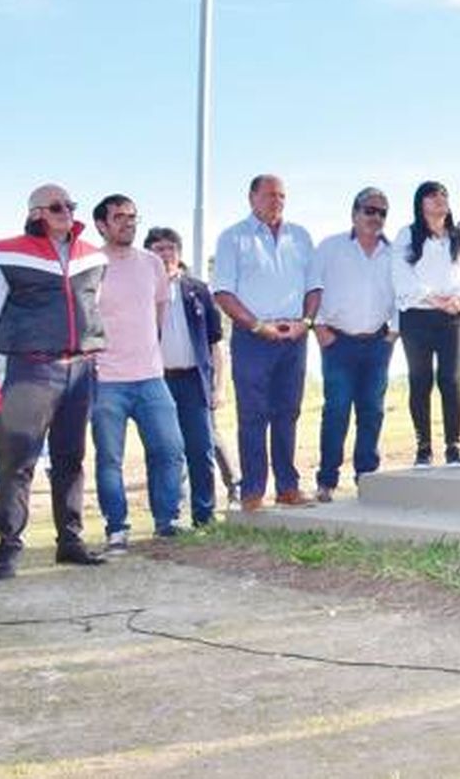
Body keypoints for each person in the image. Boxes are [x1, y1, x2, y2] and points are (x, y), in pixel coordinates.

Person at [0, 185, 109, 579]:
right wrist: (2, 371)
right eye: (57, 207)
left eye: (71, 205)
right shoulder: (4, 252)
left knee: (71, 458)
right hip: (30, 369)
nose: (67, 212)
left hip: (80, 369)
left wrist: (89, 356)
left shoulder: (93, 255)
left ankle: (69, 541)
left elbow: (92, 306)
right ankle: (9, 546)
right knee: (18, 460)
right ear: (36, 212)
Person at [212, 174, 319, 511]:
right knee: (253, 415)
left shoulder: (300, 237)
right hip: (253, 338)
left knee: (288, 412)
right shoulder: (233, 238)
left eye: (282, 196)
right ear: (251, 198)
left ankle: (288, 487)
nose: (277, 201)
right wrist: (258, 326)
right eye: (270, 195)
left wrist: (306, 323)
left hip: (294, 337)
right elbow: (224, 293)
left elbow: (314, 287)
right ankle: (252, 492)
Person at [90, 195, 187, 549]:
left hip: (151, 377)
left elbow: (159, 313)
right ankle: (117, 528)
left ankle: (167, 522)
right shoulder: (90, 263)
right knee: (110, 459)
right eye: (119, 217)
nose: (128, 223)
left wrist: (148, 354)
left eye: (133, 217)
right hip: (106, 381)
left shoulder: (151, 263)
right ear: (102, 224)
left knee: (170, 449)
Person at [312, 187, 399, 498]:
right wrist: (319, 328)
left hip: (377, 343)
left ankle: (367, 478)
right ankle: (327, 481)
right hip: (338, 343)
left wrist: (393, 334)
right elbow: (312, 287)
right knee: (336, 409)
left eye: (382, 212)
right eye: (369, 210)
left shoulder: (395, 252)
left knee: (372, 410)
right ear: (354, 213)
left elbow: (402, 295)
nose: (375, 217)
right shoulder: (330, 247)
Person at [392, 181, 460, 466]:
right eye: (433, 195)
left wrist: (458, 300)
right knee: (420, 380)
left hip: (453, 317)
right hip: (417, 316)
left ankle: (453, 446)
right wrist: (432, 298)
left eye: (444, 194)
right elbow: (401, 273)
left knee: (450, 379)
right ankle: (423, 447)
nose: (440, 199)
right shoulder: (407, 235)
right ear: (421, 203)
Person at [145, 225, 230, 527]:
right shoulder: (142, 292)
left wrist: (219, 387)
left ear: (178, 254)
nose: (165, 254)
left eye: (170, 248)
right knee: (164, 451)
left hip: (195, 380)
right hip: (157, 382)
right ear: (148, 255)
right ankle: (167, 519)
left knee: (201, 447)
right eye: (158, 249)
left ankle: (204, 515)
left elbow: (216, 343)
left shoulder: (198, 290)